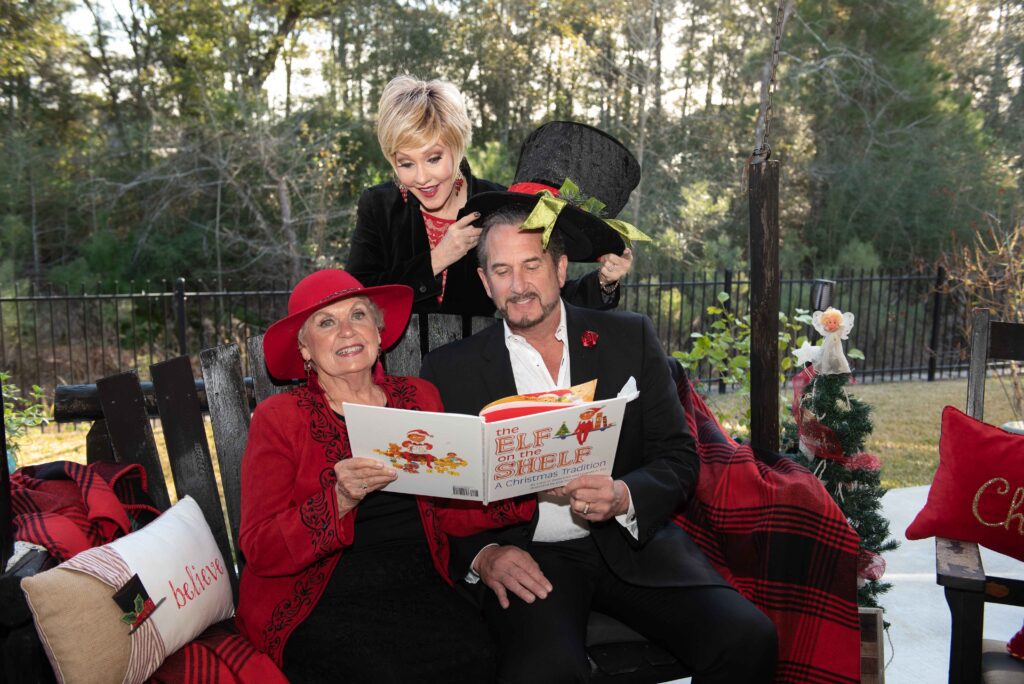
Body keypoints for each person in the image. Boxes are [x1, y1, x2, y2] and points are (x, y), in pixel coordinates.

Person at [420, 122, 778, 683]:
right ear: (486, 283)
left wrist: (623, 494)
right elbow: (442, 494)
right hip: (531, 558)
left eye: (532, 265)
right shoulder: (450, 372)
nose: (518, 285)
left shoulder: (628, 338)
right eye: (502, 271)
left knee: (748, 639)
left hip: (633, 544)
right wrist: (483, 557)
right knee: (546, 673)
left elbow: (677, 458)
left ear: (561, 269)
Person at [234, 268, 533, 682]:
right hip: (320, 598)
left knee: (477, 654)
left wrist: (521, 482)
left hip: (418, 582)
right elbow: (259, 547)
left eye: (358, 315)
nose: (346, 331)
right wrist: (338, 500)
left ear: (377, 330)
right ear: (305, 349)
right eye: (326, 322)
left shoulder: (419, 397)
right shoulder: (279, 417)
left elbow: (448, 509)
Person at [346, 75, 634, 316]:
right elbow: (357, 300)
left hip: (479, 372)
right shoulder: (379, 206)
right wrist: (438, 258)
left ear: (457, 146)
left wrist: (604, 282)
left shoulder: (497, 202)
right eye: (405, 163)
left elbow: (540, 291)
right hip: (395, 375)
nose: (421, 177)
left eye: (433, 158)